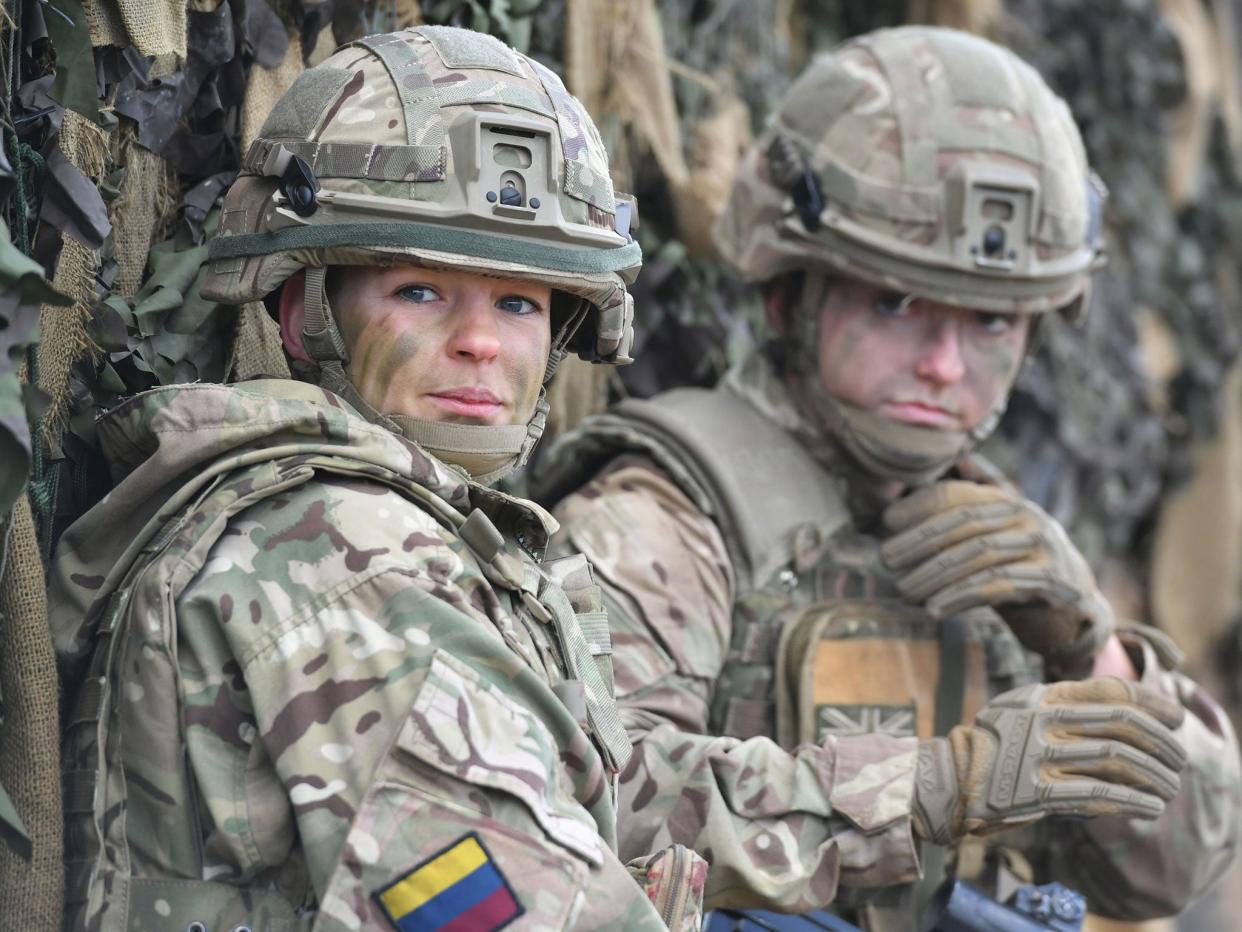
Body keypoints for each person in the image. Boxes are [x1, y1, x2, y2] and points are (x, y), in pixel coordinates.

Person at [534, 25, 1242, 930]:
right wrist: (935, 787)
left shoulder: (995, 536)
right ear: (791, 295)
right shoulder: (666, 517)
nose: (946, 365)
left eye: (990, 323)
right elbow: (589, 807)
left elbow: (1166, 874)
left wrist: (1091, 652)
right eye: (899, 304)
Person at [47, 25, 703, 932]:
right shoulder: (347, 550)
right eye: (420, 291)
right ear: (301, 308)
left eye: (517, 302)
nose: (480, 341)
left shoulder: (356, 522)